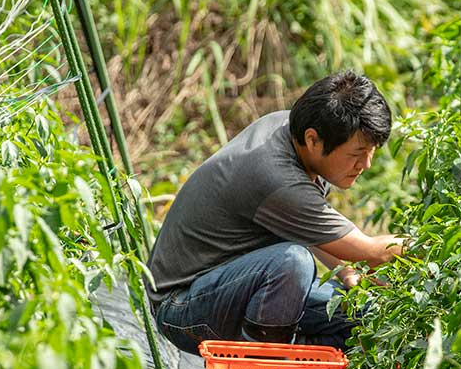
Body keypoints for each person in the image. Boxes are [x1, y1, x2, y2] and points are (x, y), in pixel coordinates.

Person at [145, 70, 405, 354]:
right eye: (357, 153)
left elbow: (310, 228)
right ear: (313, 140)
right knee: (292, 263)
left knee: (362, 313)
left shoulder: (295, 133)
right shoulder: (275, 175)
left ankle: (286, 361)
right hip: (182, 306)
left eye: (372, 151)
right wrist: (432, 247)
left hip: (238, 286)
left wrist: (348, 275)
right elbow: (370, 249)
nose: (365, 164)